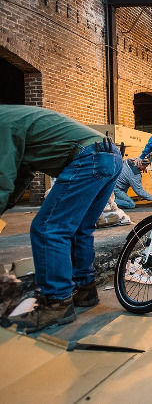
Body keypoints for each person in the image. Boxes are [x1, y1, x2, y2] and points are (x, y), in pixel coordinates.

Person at [0, 105, 122, 333]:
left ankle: (56, 302)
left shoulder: (1, 123)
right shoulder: (13, 118)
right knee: (80, 228)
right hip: (109, 156)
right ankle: (84, 288)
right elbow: (21, 174)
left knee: (48, 227)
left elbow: (2, 177)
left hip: (88, 158)